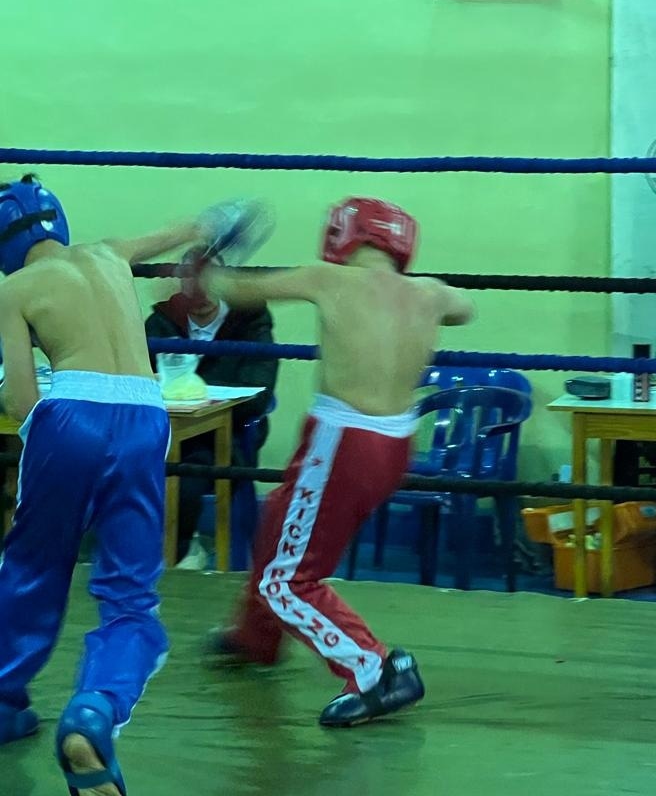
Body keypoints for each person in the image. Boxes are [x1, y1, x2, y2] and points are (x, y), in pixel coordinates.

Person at [0, 174, 260, 795]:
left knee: (33, 566)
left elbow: (19, 398)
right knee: (130, 597)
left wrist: (51, 444)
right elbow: (199, 227)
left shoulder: (14, 289)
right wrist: (229, 220)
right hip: (146, 416)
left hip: (72, 414)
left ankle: (3, 698)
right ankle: (95, 709)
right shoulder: (110, 252)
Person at [202, 196, 475, 727]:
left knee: (286, 580)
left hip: (342, 441)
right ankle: (256, 636)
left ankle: (374, 669)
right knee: (280, 519)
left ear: (346, 236)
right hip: (396, 444)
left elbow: (237, 291)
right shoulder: (432, 293)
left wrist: (207, 263)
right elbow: (466, 309)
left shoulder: (328, 278)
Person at [145, 246, 278, 567]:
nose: (202, 294)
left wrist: (197, 395)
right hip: (165, 431)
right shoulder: (161, 323)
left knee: (190, 470)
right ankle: (139, 550)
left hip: (230, 433)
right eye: (193, 284)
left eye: (209, 282)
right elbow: (138, 379)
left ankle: (176, 553)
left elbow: (258, 392)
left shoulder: (250, 321)